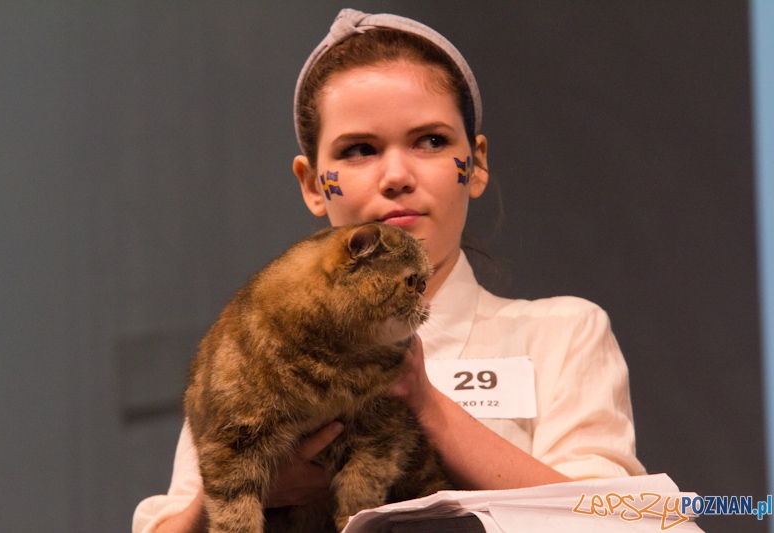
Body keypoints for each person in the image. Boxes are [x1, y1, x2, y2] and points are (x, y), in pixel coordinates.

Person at [133, 8, 646, 533]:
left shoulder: (563, 333)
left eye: (431, 141)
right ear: (312, 183)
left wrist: (424, 402)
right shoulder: (257, 352)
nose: (397, 175)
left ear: (477, 162)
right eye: (359, 150)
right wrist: (253, 484)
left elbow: (629, 523)